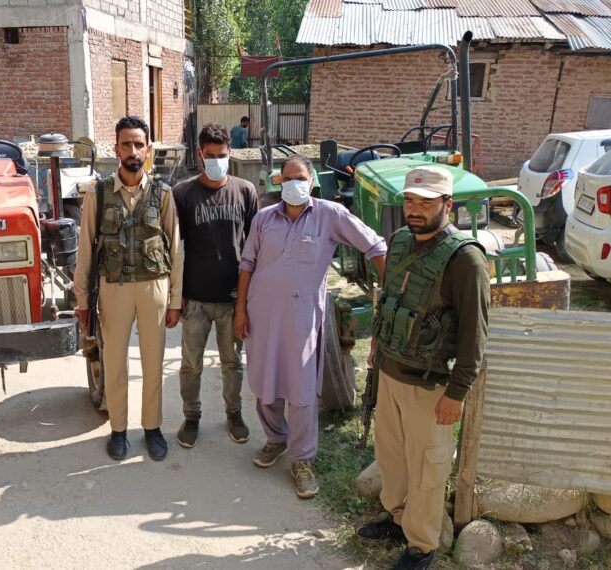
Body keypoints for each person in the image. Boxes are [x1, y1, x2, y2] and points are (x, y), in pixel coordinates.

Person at [356, 165, 490, 570]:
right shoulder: (398, 242)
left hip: (431, 388)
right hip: (391, 375)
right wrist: (377, 347)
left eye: (426, 203)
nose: (415, 210)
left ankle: (422, 546)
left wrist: (457, 392)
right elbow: (390, 302)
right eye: (410, 201)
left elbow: (475, 335)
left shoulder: (465, 261)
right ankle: (397, 518)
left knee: (428, 469)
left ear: (447, 205)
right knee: (393, 459)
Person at [234, 154, 387, 499]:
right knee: (264, 382)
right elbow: (246, 266)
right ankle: (276, 439)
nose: (294, 184)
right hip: (261, 316)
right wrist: (240, 310)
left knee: (301, 391)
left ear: (312, 179)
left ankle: (302, 461)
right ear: (279, 183)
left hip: (302, 320)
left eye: (299, 177)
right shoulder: (263, 218)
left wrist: (389, 287)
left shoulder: (329, 215)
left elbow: (375, 245)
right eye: (287, 179)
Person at [73, 116, 183, 462]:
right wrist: (82, 301)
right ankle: (118, 430)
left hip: (154, 288)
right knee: (115, 363)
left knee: (153, 363)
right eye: (126, 144)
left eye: (139, 144)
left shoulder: (163, 193)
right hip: (114, 289)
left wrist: (175, 299)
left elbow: (175, 247)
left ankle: (152, 428)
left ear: (148, 149)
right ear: (116, 148)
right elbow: (86, 249)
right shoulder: (99, 193)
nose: (133, 151)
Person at [172, 123, 259, 448]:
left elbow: (255, 247)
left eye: (221, 155)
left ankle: (234, 413)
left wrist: (248, 301)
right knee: (191, 364)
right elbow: (172, 246)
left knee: (232, 363)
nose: (216, 161)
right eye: (210, 156)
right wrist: (175, 298)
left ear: (230, 153)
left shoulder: (245, 191)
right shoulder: (183, 193)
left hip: (232, 299)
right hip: (194, 298)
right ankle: (191, 416)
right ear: (199, 154)